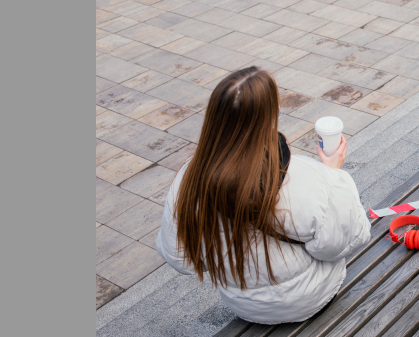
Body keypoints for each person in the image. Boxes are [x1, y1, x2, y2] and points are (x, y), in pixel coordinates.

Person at [156, 67, 371, 324]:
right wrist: (333, 174)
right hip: (312, 297)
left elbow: (182, 260)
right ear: (269, 118)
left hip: (243, 305)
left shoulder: (187, 181)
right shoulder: (306, 175)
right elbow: (344, 241)